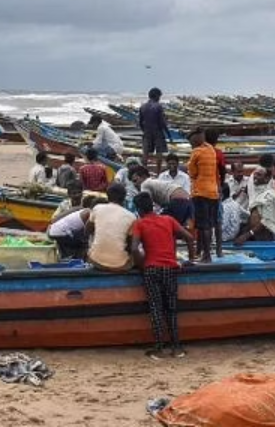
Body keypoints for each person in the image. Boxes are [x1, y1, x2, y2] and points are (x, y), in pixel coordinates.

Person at [130, 192, 196, 360]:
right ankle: (177, 347)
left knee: (155, 308)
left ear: (138, 210)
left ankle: (159, 348)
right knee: (171, 308)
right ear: (152, 206)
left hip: (151, 269)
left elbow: (134, 248)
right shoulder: (168, 220)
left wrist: (141, 264)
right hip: (170, 268)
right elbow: (189, 237)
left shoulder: (139, 223)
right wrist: (191, 260)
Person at [233, 167, 275, 244]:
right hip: (257, 235)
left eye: (259, 175)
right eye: (255, 174)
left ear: (267, 179)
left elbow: (266, 221)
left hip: (267, 236)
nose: (255, 177)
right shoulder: (255, 193)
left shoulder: (269, 195)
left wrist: (247, 235)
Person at [187, 129, 221, 262]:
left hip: (200, 192)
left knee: (202, 226)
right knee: (209, 224)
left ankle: (206, 255)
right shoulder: (211, 150)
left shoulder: (196, 152)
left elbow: (192, 173)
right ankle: (202, 251)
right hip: (213, 193)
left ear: (195, 140)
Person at [85, 183, 136, 271]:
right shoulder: (131, 216)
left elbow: (87, 230)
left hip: (95, 260)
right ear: (124, 198)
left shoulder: (97, 208)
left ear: (107, 196)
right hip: (119, 265)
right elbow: (130, 245)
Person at [139, 87, 173, 175]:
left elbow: (140, 122)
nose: (159, 98)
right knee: (159, 152)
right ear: (157, 96)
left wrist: (144, 131)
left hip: (147, 131)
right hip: (158, 131)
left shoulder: (142, 106)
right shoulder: (158, 106)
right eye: (159, 96)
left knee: (145, 153)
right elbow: (162, 122)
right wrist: (168, 134)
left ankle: (144, 171)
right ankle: (158, 172)